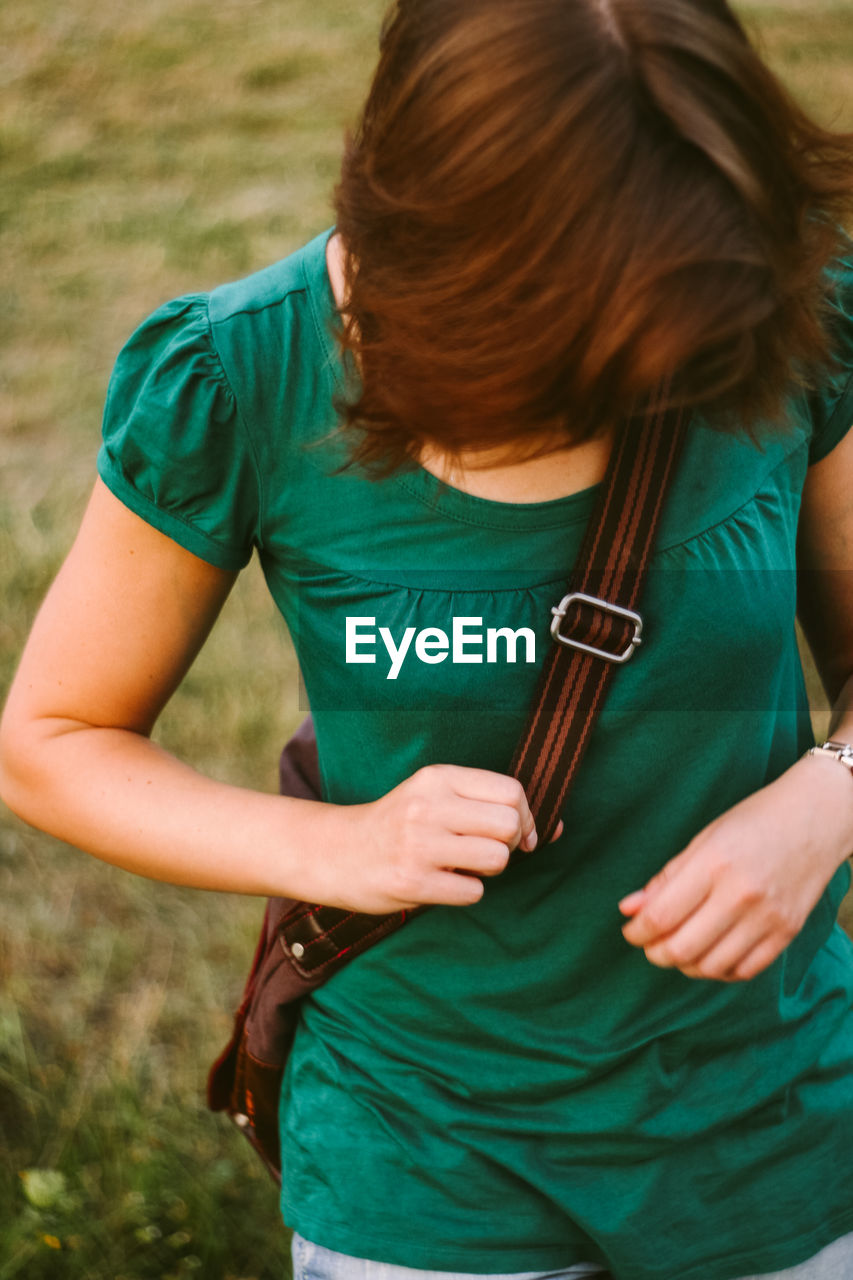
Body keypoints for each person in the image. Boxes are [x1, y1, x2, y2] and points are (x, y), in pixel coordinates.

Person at [2, 0, 853, 1276]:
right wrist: (338, 841)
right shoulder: (243, 375)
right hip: (418, 1151)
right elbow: (52, 741)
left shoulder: (778, 309)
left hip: (765, 1130)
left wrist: (824, 803)